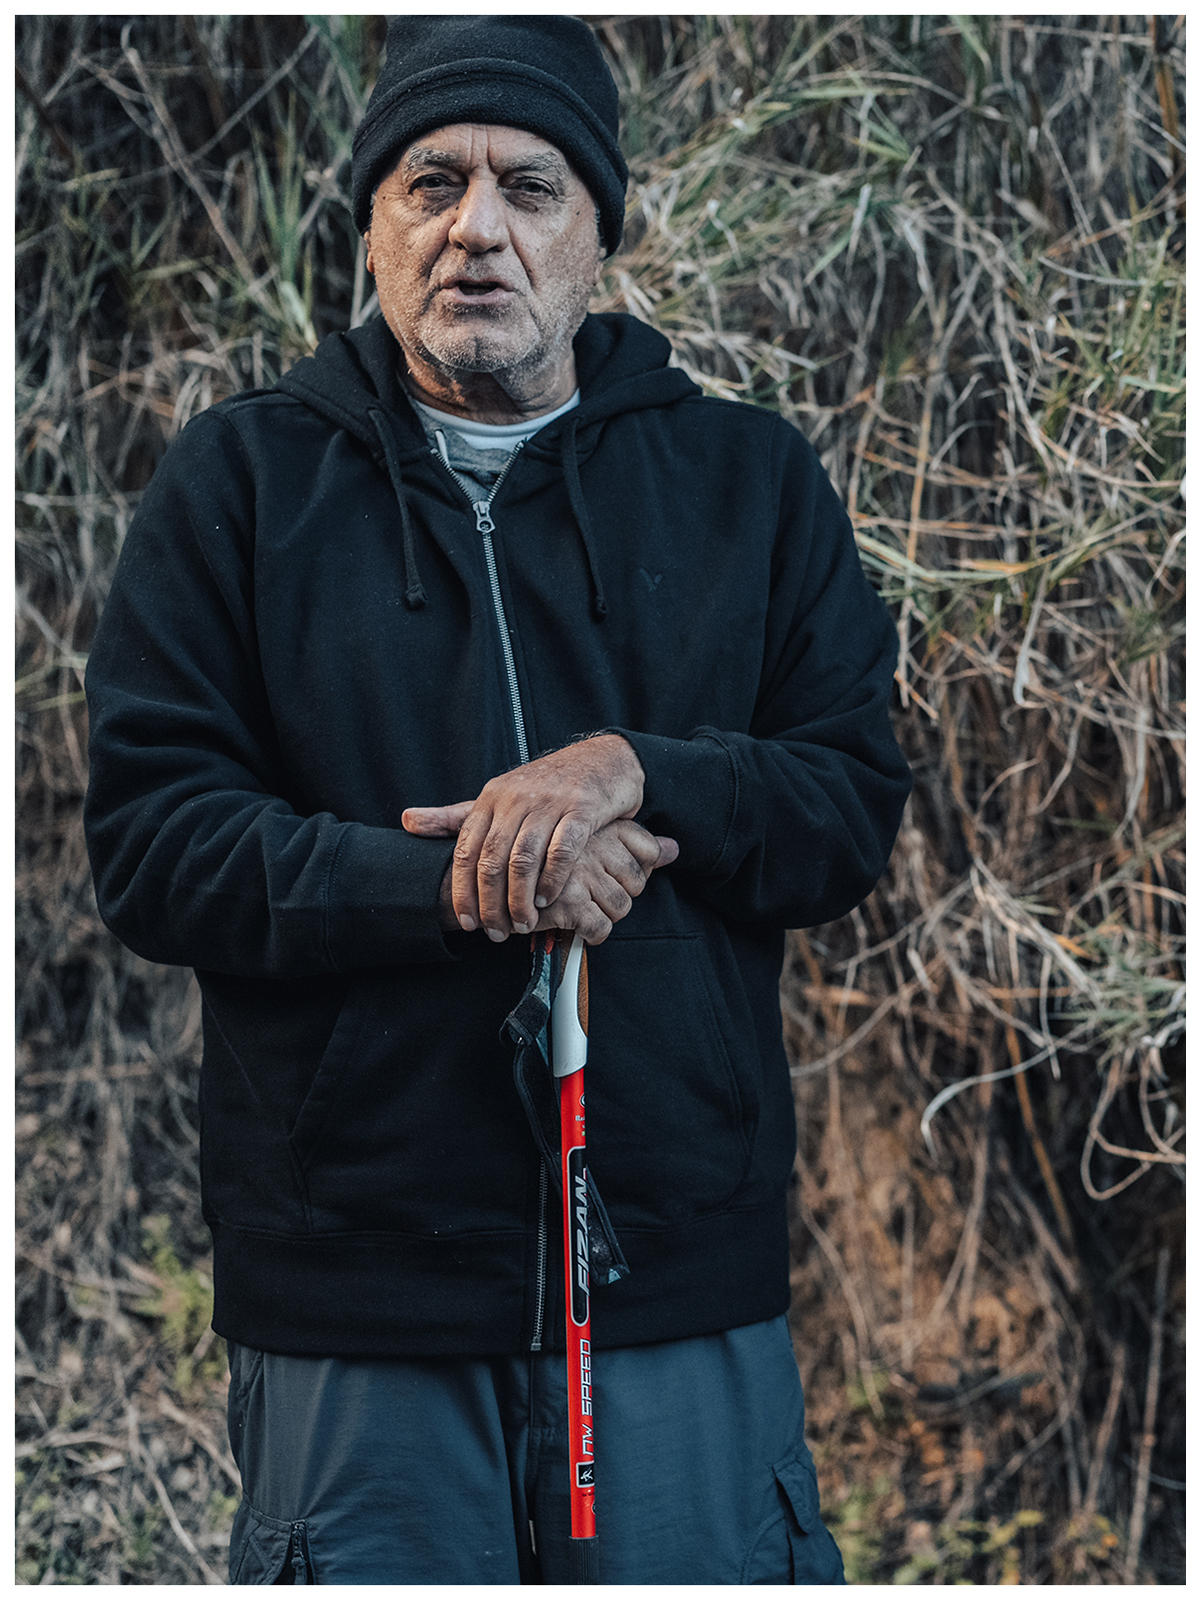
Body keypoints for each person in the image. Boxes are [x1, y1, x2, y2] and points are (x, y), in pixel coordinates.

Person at [80, 17, 910, 1583]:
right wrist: (473, 882)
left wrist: (637, 770)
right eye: (430, 183)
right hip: (359, 1295)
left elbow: (845, 805)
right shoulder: (239, 487)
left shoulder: (745, 484)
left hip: (675, 1280)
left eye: (530, 187)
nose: (478, 229)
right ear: (371, 224)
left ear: (600, 229)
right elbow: (153, 844)